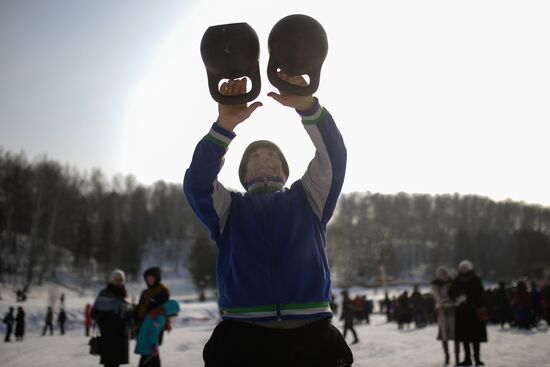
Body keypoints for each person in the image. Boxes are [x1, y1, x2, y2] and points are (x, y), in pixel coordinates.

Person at [184, 73, 351, 366]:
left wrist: (308, 106)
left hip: (312, 338)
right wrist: (224, 126)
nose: (264, 156)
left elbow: (333, 157)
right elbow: (197, 183)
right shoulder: (229, 208)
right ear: (244, 174)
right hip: (242, 339)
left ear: (284, 170)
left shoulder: (308, 197)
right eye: (255, 156)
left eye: (271, 154)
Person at [449, 260, 487, 366]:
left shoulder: (476, 279)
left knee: (475, 338)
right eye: (462, 267)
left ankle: (477, 358)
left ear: (470, 268)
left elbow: (480, 293)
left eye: (465, 267)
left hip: (473, 312)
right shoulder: (457, 279)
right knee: (464, 337)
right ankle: (467, 359)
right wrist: (457, 299)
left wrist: (468, 298)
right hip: (461, 312)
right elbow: (451, 292)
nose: (463, 269)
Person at [92, 269, 132, 367]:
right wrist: (104, 320)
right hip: (108, 334)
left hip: (122, 334)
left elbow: (129, 311)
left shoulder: (125, 293)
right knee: (109, 362)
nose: (118, 281)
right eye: (116, 279)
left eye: (121, 279)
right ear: (111, 280)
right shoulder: (104, 293)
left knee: (117, 362)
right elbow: (95, 311)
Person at [134, 267, 171, 367]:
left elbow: (164, 309)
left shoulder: (163, 291)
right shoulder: (145, 292)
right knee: (146, 352)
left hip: (155, 325)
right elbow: (139, 308)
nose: (149, 280)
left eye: (151, 278)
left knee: (151, 351)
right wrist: (136, 321)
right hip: (143, 325)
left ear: (157, 278)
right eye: (147, 278)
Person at [134, 299, 180, 367]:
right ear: (170, 310)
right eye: (172, 314)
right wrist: (154, 345)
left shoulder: (156, 312)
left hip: (144, 342)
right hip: (148, 344)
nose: (171, 317)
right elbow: (153, 332)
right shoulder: (160, 318)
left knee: (145, 361)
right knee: (153, 363)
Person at [432, 266, 459, 366]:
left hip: (453, 312)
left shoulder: (453, 283)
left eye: (445, 273)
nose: (443, 275)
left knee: (456, 335)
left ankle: (457, 357)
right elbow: (438, 298)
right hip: (443, 312)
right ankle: (447, 356)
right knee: (444, 335)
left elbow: (457, 295)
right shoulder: (435, 285)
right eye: (441, 274)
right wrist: (449, 301)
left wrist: (456, 301)